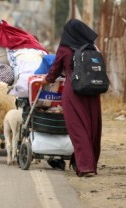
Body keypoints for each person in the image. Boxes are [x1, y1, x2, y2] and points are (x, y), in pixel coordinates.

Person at [41, 19, 102, 177]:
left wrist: (45, 80)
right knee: (92, 128)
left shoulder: (65, 48)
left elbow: (54, 71)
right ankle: (89, 163)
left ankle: (85, 166)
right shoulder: (92, 46)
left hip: (74, 93)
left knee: (77, 128)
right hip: (93, 92)